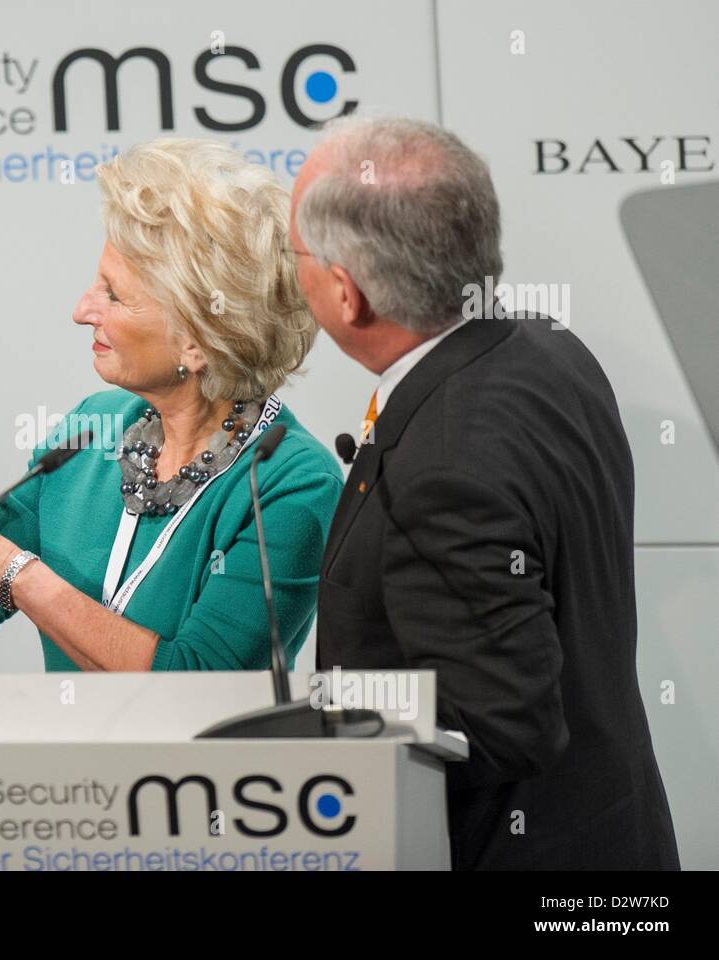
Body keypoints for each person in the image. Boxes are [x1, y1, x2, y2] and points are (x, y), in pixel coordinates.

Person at [290, 115, 679, 869]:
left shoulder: (442, 465)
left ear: (347, 294)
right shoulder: (548, 347)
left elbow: (502, 723)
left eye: (296, 252)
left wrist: (313, 744)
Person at [0, 139, 343, 671]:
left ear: (199, 340)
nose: (81, 310)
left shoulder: (292, 484)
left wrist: (18, 574)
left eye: (113, 295)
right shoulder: (90, 432)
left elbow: (196, 684)